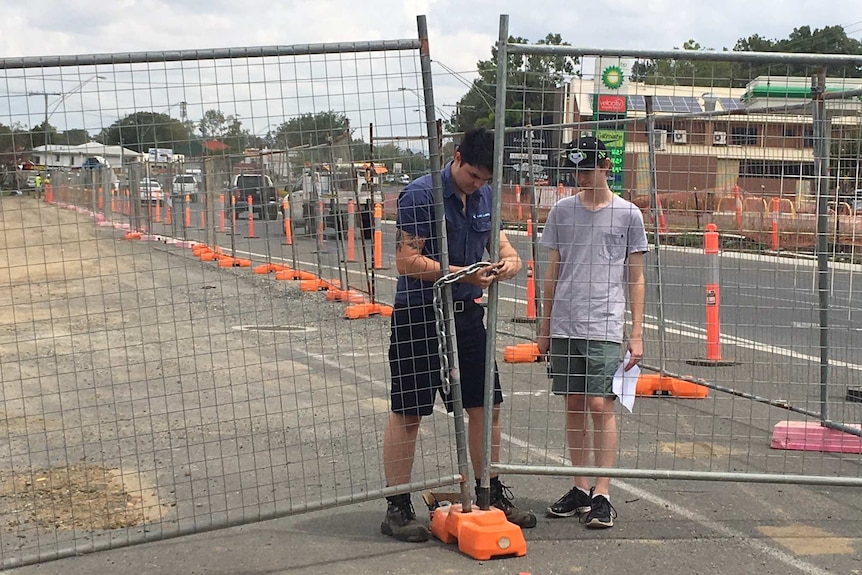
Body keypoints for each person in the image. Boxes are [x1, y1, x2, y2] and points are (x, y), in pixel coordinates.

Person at [381, 127, 536, 542]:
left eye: (486, 179)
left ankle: (490, 493)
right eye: (473, 176)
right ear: (457, 157)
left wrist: (509, 262)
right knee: (410, 411)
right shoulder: (420, 195)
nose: (479, 184)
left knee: (487, 405)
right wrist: (459, 273)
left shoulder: (485, 197)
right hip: (422, 314)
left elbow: (501, 245)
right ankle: (397, 506)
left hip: (467, 316)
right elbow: (406, 261)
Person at [537, 136, 648, 529]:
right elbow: (553, 270)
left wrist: (636, 331)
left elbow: (635, 278)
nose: (580, 177)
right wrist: (544, 325)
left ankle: (603, 492)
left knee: (601, 406)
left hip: (604, 323)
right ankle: (580, 487)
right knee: (573, 403)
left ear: (605, 165)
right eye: (575, 171)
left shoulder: (628, 214)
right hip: (566, 322)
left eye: (587, 169)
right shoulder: (562, 212)